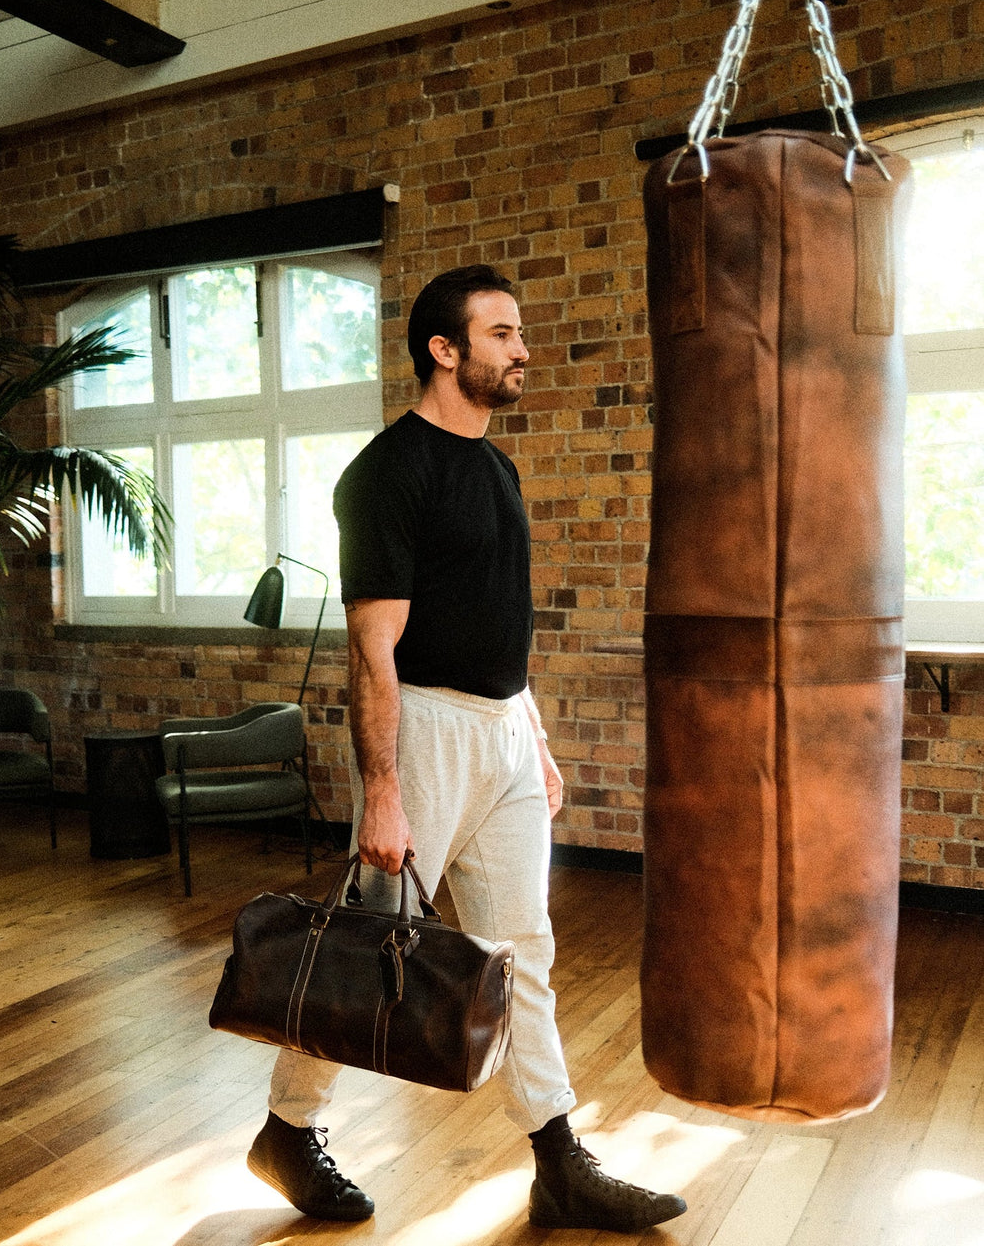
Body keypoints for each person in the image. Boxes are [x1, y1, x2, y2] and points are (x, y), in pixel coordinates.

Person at [246, 265, 687, 1233]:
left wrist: (532, 734)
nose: (520, 349)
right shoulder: (385, 474)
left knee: (522, 947)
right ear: (443, 350)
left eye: (517, 332)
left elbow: (498, 623)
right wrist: (385, 790)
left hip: (502, 733)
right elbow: (373, 651)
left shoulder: (497, 467)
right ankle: (289, 1125)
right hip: (425, 728)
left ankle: (558, 1158)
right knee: (368, 947)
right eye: (499, 334)